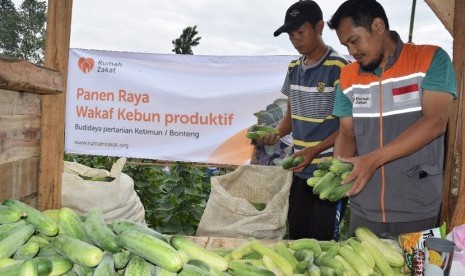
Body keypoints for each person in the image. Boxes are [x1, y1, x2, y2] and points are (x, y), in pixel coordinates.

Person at [327, 0, 457, 237]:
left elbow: (435, 123)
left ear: (378, 26)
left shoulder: (430, 59)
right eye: (346, 45)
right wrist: (336, 172)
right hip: (363, 206)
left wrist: (372, 160)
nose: (351, 52)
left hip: (417, 206)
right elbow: (347, 133)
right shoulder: (347, 76)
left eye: (354, 40)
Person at [262, 0, 349, 240]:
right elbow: (290, 117)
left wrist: (314, 150)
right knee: (298, 239)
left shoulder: (340, 68)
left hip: (329, 173)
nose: (296, 39)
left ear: (319, 27)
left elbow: (348, 128)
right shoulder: (293, 69)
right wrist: (275, 133)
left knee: (324, 244)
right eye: (291, 35)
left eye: (301, 32)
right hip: (299, 170)